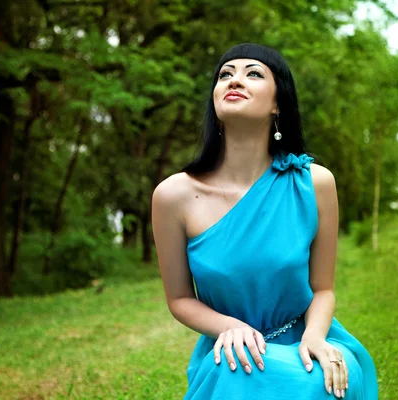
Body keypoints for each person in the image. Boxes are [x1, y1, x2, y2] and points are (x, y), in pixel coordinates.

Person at [151, 43, 377, 399]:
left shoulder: (315, 183)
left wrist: (315, 336)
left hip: (306, 341)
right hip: (231, 350)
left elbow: (323, 289)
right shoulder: (173, 195)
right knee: (237, 371)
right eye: (225, 74)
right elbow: (179, 298)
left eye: (252, 73)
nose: (234, 80)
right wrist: (230, 327)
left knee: (320, 379)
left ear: (277, 104)